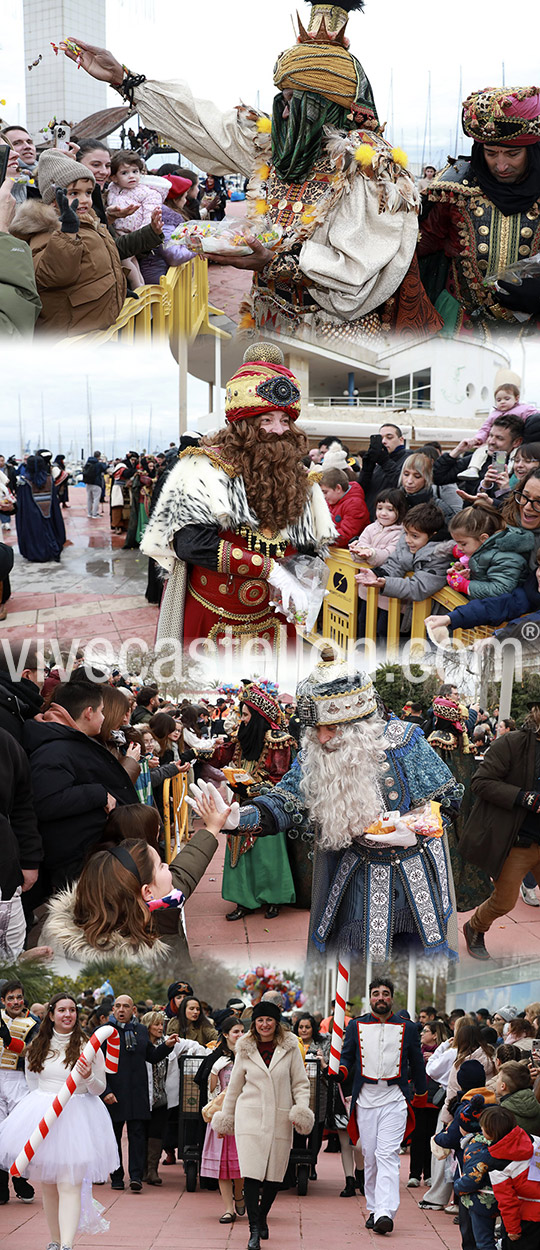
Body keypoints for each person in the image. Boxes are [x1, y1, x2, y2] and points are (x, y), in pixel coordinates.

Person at [65, 6, 439, 343]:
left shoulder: (371, 168)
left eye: (298, 101)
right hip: (266, 320)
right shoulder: (273, 146)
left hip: (336, 334)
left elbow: (358, 273)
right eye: (284, 99)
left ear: (328, 105)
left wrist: (275, 261)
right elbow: (203, 124)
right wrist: (126, 80)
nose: (285, 112)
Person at [227, 651, 461, 959]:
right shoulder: (315, 753)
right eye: (316, 730)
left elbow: (447, 799)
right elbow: (286, 800)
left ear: (359, 724)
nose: (322, 739)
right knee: (350, 967)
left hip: (413, 880)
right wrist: (237, 819)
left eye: (332, 728)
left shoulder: (405, 742)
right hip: (355, 876)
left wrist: (414, 830)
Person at [141, 342, 335, 652]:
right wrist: (269, 570)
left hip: (276, 619)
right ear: (243, 423)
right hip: (211, 618)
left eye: (285, 421)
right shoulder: (205, 466)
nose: (278, 430)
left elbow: (309, 544)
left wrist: (304, 578)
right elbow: (191, 544)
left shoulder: (296, 473)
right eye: (266, 420)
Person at [0, 992, 119, 1248]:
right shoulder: (38, 1045)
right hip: (45, 1116)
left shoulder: (89, 1046)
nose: (68, 1015)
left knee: (70, 1184)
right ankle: (54, 1241)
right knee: (49, 1187)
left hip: (77, 1117)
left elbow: (99, 1088)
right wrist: (42, 1109)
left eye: (72, 1010)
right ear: (51, 1015)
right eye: (62, 1010)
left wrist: (87, 1077)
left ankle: (67, 1244)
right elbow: (32, 1082)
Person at [418, 86, 540, 334]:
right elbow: (419, 244)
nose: (501, 165)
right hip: (460, 325)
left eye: (513, 153)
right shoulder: (454, 189)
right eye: (491, 153)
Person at [23, 680, 139, 900]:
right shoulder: (54, 748)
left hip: (86, 852)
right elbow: (46, 801)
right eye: (102, 711)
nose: (104, 718)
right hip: (77, 858)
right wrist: (98, 793)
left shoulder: (67, 741)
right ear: (88, 712)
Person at [42, 828, 220, 969]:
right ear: (147, 892)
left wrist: (212, 828)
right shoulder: (146, 964)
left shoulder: (108, 905)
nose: (168, 866)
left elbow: (183, 875)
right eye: (160, 865)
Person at [212, 1001, 313, 1250]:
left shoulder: (289, 1047)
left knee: (274, 1177)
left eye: (269, 1020)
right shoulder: (244, 1049)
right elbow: (233, 1088)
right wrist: (226, 1118)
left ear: (276, 1022)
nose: (264, 1024)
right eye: (260, 1020)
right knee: (252, 1174)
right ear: (254, 1023)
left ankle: (263, 1215)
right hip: (250, 1117)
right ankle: (254, 1229)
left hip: (279, 1118)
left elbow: (300, 1083)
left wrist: (300, 1109)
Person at [335, 978, 428, 1235]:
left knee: (388, 1155)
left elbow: (417, 1062)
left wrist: (421, 1092)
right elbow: (347, 1056)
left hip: (394, 1098)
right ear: (370, 998)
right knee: (370, 1155)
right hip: (365, 1097)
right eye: (376, 994)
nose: (381, 998)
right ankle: (374, 1207)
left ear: (392, 998)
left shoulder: (408, 1028)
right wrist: (339, 1071)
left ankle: (386, 1212)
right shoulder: (355, 1025)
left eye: (385, 994)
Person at [10, 151, 128, 335]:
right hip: (69, 335)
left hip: (92, 329)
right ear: (53, 199)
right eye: (74, 193)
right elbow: (52, 276)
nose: (84, 200)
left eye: (88, 192)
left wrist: (117, 289)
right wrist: (67, 234)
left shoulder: (89, 222)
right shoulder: (46, 230)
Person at [460, 697, 540, 959]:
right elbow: (480, 782)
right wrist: (524, 797)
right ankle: (474, 927)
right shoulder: (512, 743)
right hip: (518, 841)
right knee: (504, 901)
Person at [220, 685, 296, 923]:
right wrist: (197, 753)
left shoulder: (278, 741)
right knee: (238, 854)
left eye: (245, 715)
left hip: (268, 806)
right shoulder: (242, 737)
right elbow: (222, 755)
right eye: (241, 714)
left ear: (258, 716)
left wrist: (254, 787)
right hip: (240, 801)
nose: (242, 720)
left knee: (268, 854)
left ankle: (274, 898)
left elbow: (281, 778)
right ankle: (243, 900)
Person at [104, 994, 176, 1192]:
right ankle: (116, 1176)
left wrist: (166, 1046)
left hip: (137, 1093)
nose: (121, 1010)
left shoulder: (141, 1030)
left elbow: (151, 1057)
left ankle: (136, 1176)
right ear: (113, 1009)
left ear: (133, 1010)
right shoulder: (104, 1032)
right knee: (114, 1136)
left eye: (125, 1006)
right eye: (117, 1006)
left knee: (137, 1135)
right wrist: (105, 1091)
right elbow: (97, 1066)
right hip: (114, 1094)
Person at [0, 727, 42, 961]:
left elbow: (23, 807)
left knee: (9, 964)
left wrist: (29, 860)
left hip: (4, 879)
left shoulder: (6, 743)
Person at [199, 1015, 246, 1222]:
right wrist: (215, 1070)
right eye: (235, 1031)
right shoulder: (216, 1058)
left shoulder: (250, 1055)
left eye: (242, 1031)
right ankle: (228, 1208)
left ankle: (239, 1195)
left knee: (242, 1164)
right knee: (222, 1165)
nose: (240, 1035)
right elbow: (210, 1091)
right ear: (225, 1034)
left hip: (244, 1116)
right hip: (221, 1116)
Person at [0, 980, 40, 1206]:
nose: (16, 1002)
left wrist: (9, 1041)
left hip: (19, 1080)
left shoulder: (34, 1023)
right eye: (11, 998)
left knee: (19, 1133)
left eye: (19, 997)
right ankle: (0, 1185)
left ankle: (20, 1180)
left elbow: (34, 1051)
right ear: (3, 1001)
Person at [444, 501, 535, 598]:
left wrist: (466, 586)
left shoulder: (507, 557)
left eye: (463, 544)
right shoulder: (481, 549)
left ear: (483, 538)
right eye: (457, 543)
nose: (459, 548)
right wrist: (465, 574)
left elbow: (501, 589)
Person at [482, 1103, 540, 1250]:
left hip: (527, 1217)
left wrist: (512, 1229)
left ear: (489, 1132)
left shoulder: (496, 1162)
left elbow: (507, 1200)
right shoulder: (534, 1140)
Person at [15, 449, 66, 563]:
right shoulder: (49, 479)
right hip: (50, 512)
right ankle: (54, 551)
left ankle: (37, 553)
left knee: (35, 533)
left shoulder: (25, 481)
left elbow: (22, 503)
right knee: (50, 532)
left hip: (31, 514)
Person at [474, 371, 538, 446]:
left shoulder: (524, 409)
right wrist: (479, 438)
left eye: (507, 399)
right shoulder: (494, 414)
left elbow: (535, 417)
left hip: (517, 442)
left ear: (516, 398)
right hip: (498, 444)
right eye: (499, 400)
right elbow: (485, 428)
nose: (502, 402)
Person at [359, 425, 410, 515]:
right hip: (370, 518)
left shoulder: (409, 459)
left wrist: (385, 461)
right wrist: (367, 469)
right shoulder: (378, 462)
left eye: (389, 437)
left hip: (391, 519)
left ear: (401, 440)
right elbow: (362, 490)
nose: (384, 441)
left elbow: (404, 485)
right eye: (381, 438)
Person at [320, 468, 369, 546]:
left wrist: (322, 539)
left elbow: (346, 534)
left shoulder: (355, 505)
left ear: (338, 488)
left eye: (325, 492)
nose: (323, 496)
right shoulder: (333, 499)